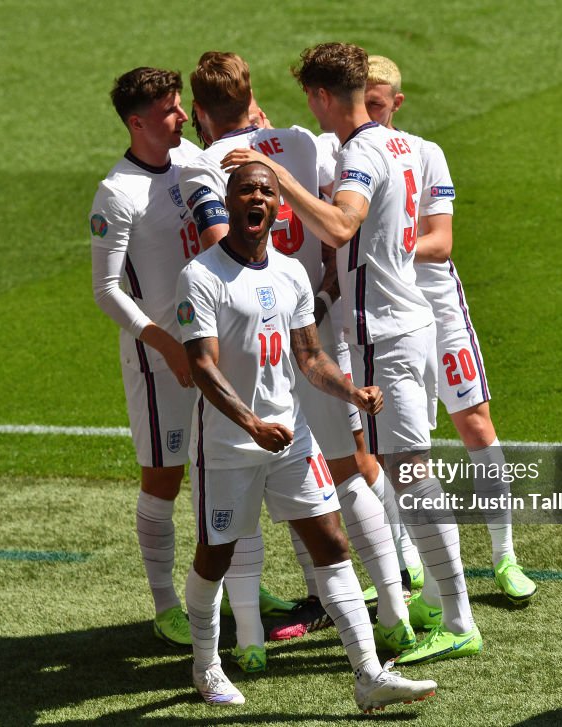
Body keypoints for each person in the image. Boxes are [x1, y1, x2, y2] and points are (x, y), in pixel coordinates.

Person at [221, 42, 482, 665]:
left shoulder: (363, 151)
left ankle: (458, 618)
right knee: (400, 471)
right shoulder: (398, 144)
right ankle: (437, 606)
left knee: (410, 475)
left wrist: (279, 176)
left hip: (387, 333)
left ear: (319, 97)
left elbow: (341, 225)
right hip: (405, 322)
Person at [176, 160, 437, 710]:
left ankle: (368, 676)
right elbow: (201, 365)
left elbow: (310, 356)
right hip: (228, 449)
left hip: (290, 440)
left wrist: (352, 393)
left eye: (266, 192)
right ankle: (206, 667)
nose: (257, 198)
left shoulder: (291, 273)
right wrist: (250, 422)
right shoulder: (201, 276)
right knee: (215, 557)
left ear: (278, 207)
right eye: (246, 190)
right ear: (230, 202)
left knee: (332, 544)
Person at [179, 51, 413, 653]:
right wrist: (327, 283)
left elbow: (226, 250)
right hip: (317, 322)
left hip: (256, 340)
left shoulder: (203, 164)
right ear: (252, 94)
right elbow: (336, 219)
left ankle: (250, 637)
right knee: (349, 469)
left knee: (247, 496)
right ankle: (394, 609)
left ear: (200, 112)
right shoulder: (305, 142)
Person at [362, 57, 537, 633]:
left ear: (398, 103)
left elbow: (440, 242)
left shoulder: (424, 152)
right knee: (388, 440)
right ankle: (411, 563)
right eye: (362, 103)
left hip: (435, 304)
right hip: (383, 313)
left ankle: (505, 555)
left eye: (380, 104)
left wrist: (380, 246)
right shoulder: (348, 155)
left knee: (475, 424)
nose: (372, 114)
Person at [89, 67, 202, 648]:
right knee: (165, 478)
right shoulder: (118, 192)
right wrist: (163, 344)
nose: (182, 117)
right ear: (137, 123)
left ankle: (237, 582)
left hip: (211, 350)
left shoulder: (191, 161)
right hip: (159, 365)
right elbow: (107, 290)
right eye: (168, 112)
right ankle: (164, 606)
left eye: (179, 107)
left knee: (222, 470)